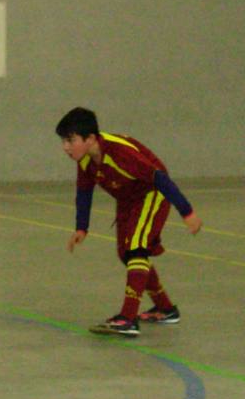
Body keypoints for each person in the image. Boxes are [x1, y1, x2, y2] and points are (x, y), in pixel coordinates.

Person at [56, 107, 203, 338]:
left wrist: (187, 212)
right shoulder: (85, 160)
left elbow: (159, 178)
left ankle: (128, 317)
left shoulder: (119, 152)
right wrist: (81, 227)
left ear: (90, 138)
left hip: (151, 192)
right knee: (127, 253)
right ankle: (165, 308)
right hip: (127, 198)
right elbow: (84, 192)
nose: (65, 147)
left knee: (136, 248)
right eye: (63, 141)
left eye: (70, 140)